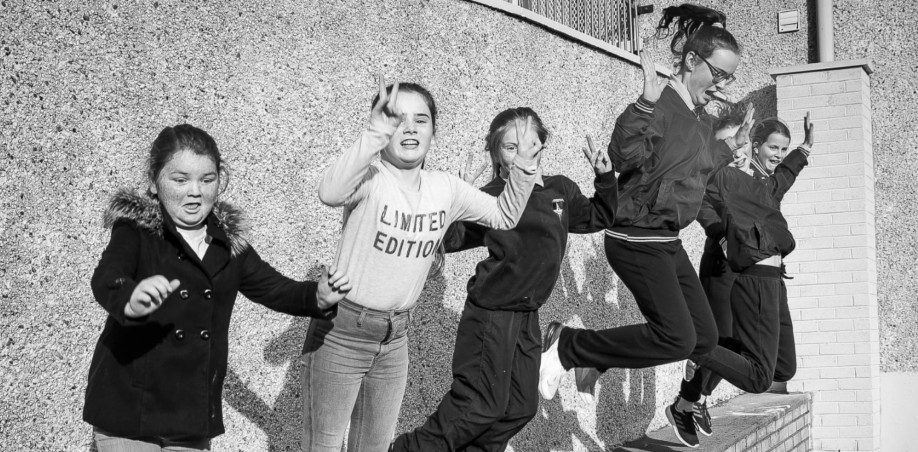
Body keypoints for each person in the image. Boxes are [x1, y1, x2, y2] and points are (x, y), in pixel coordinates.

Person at [304, 78, 542, 451]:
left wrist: (523, 169)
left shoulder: (444, 188)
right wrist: (372, 136)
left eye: (422, 119)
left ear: (433, 131)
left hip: (395, 337)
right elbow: (329, 192)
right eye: (398, 119)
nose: (410, 128)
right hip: (343, 331)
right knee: (326, 445)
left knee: (375, 446)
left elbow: (504, 215)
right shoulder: (371, 178)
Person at [84, 124, 350, 451]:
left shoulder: (229, 244)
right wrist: (130, 298)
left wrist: (317, 296)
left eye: (207, 180)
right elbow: (107, 277)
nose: (195, 191)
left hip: (189, 415)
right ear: (154, 183)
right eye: (180, 180)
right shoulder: (136, 230)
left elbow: (275, 289)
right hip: (130, 409)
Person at [539, 3, 754, 401]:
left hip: (666, 240)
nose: (722, 84)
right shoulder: (662, 104)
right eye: (718, 73)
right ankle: (569, 345)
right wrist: (643, 106)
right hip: (634, 236)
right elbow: (622, 157)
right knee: (676, 338)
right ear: (692, 60)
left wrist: (733, 149)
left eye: (730, 77)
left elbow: (696, 168)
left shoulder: (703, 120)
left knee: (703, 339)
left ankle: (595, 356)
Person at [391, 108, 618, 451]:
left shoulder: (560, 190)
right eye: (511, 147)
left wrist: (605, 178)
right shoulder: (492, 194)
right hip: (491, 313)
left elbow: (598, 216)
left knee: (519, 408)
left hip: (527, 317)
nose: (521, 153)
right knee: (478, 405)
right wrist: (453, 202)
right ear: (497, 153)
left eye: (529, 144)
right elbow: (451, 240)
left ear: (542, 146)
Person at [669, 115, 814, 448]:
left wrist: (803, 151)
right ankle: (690, 399)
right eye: (772, 147)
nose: (776, 153)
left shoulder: (758, 180)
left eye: (782, 149)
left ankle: (697, 394)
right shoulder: (720, 175)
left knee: (760, 355)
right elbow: (701, 205)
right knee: (723, 336)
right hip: (724, 266)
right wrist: (722, 238)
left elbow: (782, 179)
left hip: (758, 271)